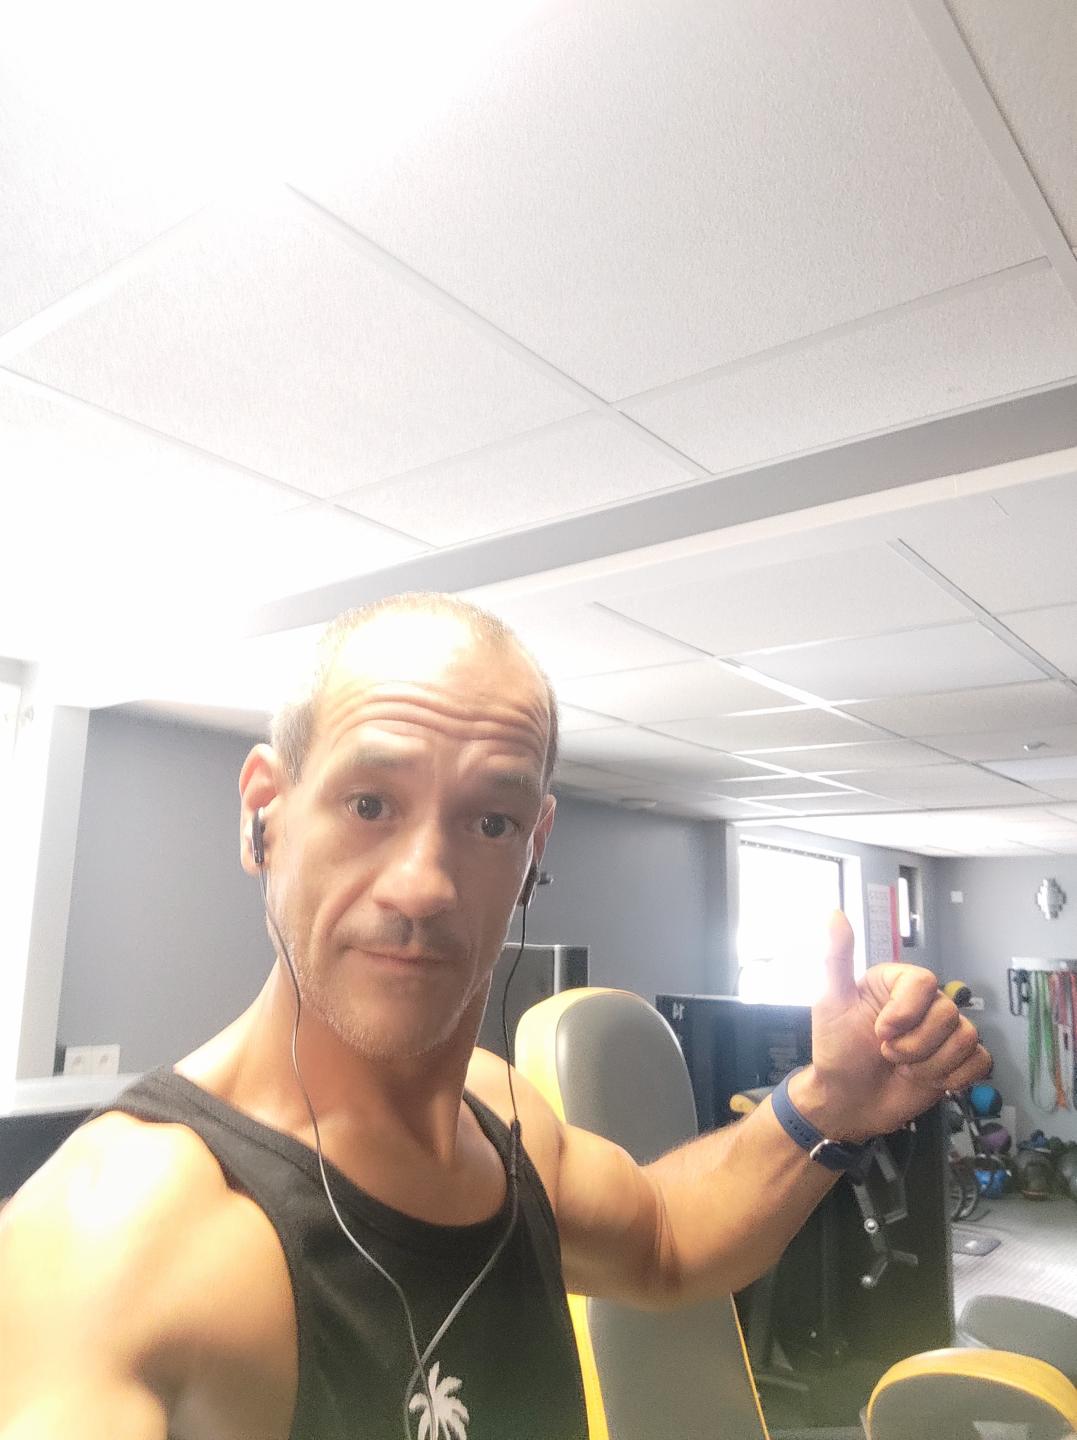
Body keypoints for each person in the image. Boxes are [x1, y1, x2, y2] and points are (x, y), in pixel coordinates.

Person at [0, 593, 991, 1440]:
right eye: (369, 803)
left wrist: (829, 1103)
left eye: (489, 822)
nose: (425, 885)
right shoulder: (110, 1241)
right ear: (265, 813)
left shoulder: (495, 1114)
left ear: (532, 851)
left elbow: (665, 1242)